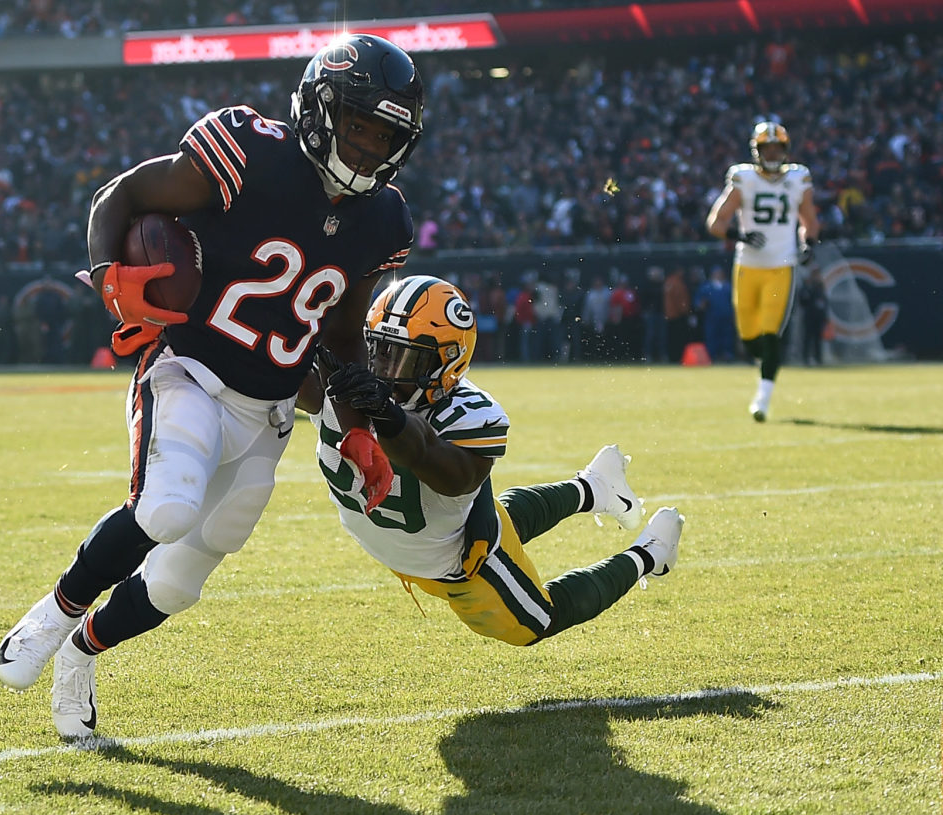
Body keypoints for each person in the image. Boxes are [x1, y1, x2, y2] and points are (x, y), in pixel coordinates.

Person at [0, 34, 425, 738]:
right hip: (188, 369)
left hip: (272, 411)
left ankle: (80, 654)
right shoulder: (248, 150)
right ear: (321, 109)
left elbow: (343, 336)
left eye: (387, 136)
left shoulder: (384, 219)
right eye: (358, 126)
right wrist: (110, 277)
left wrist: (356, 428)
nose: (371, 148)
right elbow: (122, 194)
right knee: (165, 509)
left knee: (177, 582)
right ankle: (53, 614)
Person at [299, 275, 685, 647]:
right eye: (379, 350)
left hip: (456, 563)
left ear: (445, 364)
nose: (384, 371)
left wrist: (385, 413)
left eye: (405, 360)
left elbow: (442, 469)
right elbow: (275, 375)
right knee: (504, 519)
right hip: (410, 541)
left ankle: (650, 552)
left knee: (536, 622)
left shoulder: (469, 416)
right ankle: (595, 486)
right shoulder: (339, 380)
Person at [706, 121, 819, 421]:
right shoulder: (743, 177)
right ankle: (766, 367)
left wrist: (808, 243)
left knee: (771, 335)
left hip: (781, 266)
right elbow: (716, 223)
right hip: (748, 265)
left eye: (775, 147)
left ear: (784, 150)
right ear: (756, 151)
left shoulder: (799, 177)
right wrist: (738, 236)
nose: (771, 153)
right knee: (749, 339)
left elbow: (809, 220)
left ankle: (763, 400)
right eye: (765, 147)